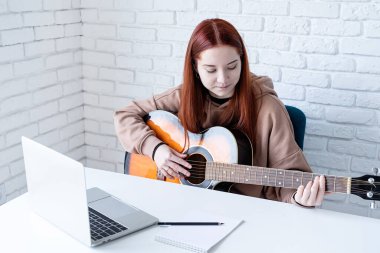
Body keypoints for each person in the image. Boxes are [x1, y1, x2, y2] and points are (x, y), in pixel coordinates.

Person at [114, 18, 325, 208]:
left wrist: (299, 198)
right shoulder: (183, 96)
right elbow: (125, 116)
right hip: (182, 204)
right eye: (211, 70)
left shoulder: (268, 108)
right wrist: (156, 149)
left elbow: (291, 176)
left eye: (232, 67)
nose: (223, 79)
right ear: (195, 68)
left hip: (248, 214)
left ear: (242, 60)